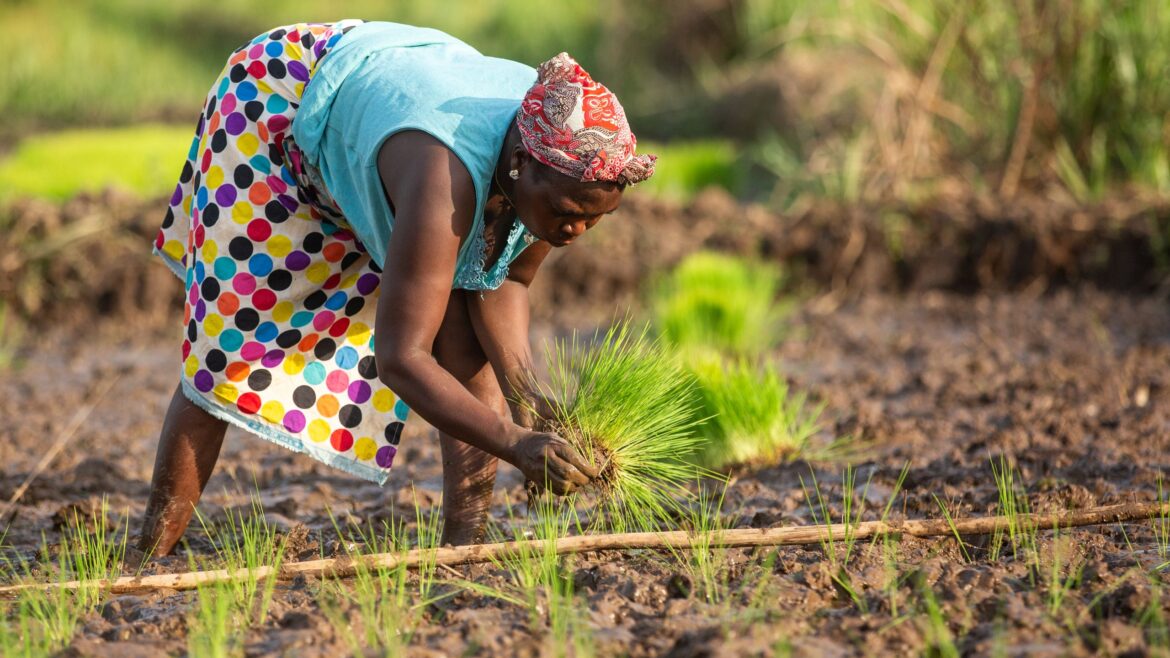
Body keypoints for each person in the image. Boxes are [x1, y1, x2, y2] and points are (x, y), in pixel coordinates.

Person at [139, 19, 657, 555]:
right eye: (567, 216)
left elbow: (504, 284)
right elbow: (402, 358)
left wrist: (530, 402)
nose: (574, 233)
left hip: (395, 88)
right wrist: (516, 444)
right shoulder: (446, 179)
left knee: (462, 339)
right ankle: (148, 558)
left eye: (594, 222)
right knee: (228, 355)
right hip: (279, 105)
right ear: (522, 164)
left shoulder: (558, 169)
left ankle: (464, 553)